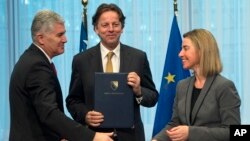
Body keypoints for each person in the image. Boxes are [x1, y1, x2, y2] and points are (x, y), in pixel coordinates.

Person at [9, 9, 113, 141]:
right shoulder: (36, 66)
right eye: (60, 35)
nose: (65, 39)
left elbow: (40, 111)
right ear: (41, 38)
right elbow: (49, 113)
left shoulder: (33, 59)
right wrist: (92, 137)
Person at [66, 3, 159, 141]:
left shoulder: (138, 57)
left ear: (122, 28)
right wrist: (85, 115)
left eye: (115, 24)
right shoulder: (81, 60)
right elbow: (73, 100)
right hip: (95, 135)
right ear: (96, 29)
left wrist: (139, 91)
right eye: (105, 25)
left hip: (131, 136)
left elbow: (153, 97)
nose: (111, 29)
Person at [152, 29, 241, 141]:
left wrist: (191, 133)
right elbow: (175, 123)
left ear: (202, 51)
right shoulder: (182, 86)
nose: (180, 54)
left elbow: (235, 132)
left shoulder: (224, 86)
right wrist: (157, 140)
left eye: (186, 48)